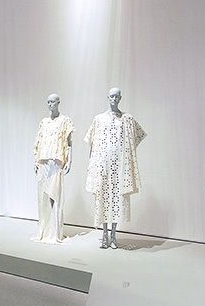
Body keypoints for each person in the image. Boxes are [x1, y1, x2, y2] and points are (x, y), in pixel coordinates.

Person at [84, 88, 146, 249]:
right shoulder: (99, 119)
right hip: (103, 165)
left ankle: (113, 235)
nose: (114, 99)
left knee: (117, 199)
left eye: (117, 96)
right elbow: (92, 143)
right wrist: (93, 165)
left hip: (119, 165)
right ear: (108, 97)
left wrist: (125, 152)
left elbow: (136, 137)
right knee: (104, 198)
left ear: (121, 98)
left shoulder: (127, 119)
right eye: (112, 96)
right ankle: (104, 234)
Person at [32, 93, 75, 244]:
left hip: (57, 161)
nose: (50, 104)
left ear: (58, 102)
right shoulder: (44, 122)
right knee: (43, 196)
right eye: (48, 102)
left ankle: (55, 232)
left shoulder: (65, 121)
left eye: (52, 102)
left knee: (56, 195)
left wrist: (69, 160)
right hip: (43, 160)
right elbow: (38, 141)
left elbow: (69, 143)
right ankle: (44, 231)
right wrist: (36, 160)